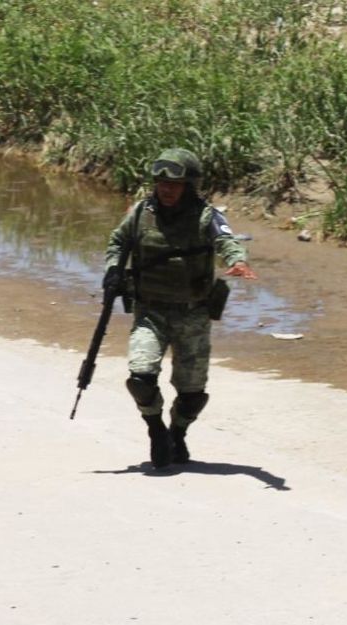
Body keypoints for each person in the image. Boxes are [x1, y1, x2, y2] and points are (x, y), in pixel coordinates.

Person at [104, 148, 257, 468]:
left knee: (193, 393)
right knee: (140, 377)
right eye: (161, 183)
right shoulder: (140, 213)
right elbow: (118, 242)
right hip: (151, 312)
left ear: (189, 185)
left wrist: (238, 261)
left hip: (193, 314)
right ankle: (156, 429)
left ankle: (178, 431)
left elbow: (227, 241)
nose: (167, 190)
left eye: (174, 184)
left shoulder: (206, 215)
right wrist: (113, 270)